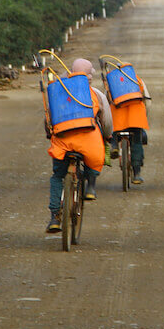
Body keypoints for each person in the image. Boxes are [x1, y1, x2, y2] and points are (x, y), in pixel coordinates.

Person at [44, 58, 112, 232]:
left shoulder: (59, 92)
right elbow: (106, 121)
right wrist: (107, 136)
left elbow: (49, 118)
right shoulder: (96, 94)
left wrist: (50, 133)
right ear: (89, 77)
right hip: (88, 141)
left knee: (58, 176)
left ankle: (54, 217)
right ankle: (90, 188)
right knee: (93, 161)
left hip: (63, 141)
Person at [102, 60, 151, 185]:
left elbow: (105, 102)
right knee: (137, 142)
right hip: (135, 118)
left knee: (113, 132)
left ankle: (114, 146)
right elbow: (148, 102)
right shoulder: (137, 80)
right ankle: (136, 174)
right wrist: (143, 116)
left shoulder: (111, 82)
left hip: (117, 118)